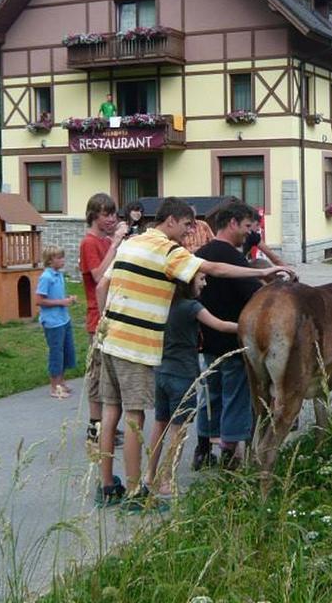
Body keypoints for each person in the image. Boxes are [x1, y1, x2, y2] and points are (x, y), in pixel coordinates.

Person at [94, 197, 293, 508]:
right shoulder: (167, 250)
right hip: (135, 346)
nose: (189, 233)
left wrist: (108, 320)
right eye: (187, 225)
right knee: (134, 417)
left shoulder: (131, 242)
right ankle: (135, 494)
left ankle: (107, 486)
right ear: (170, 221)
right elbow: (214, 269)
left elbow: (100, 287)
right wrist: (263, 273)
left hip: (109, 340)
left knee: (110, 412)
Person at [145, 272, 237, 497]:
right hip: (182, 376)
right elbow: (220, 325)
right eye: (201, 279)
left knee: (160, 424)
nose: (205, 283)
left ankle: (149, 475)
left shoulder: (163, 304)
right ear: (187, 282)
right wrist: (249, 325)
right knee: (179, 430)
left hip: (161, 372)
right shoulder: (191, 307)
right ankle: (167, 480)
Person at [193, 200, 266, 470]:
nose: (249, 232)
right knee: (236, 396)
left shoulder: (201, 253)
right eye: (247, 226)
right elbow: (256, 296)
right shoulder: (233, 258)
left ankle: (202, 450)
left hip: (207, 339)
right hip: (233, 342)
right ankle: (229, 454)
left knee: (209, 396)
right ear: (233, 223)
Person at [79, 193, 128, 443]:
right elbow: (98, 276)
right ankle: (95, 426)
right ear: (93, 216)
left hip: (111, 313)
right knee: (97, 374)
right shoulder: (89, 243)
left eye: (113, 214)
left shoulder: (105, 241)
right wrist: (115, 243)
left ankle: (107, 425)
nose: (112, 219)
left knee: (109, 374)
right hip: (96, 316)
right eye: (106, 214)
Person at [36, 245, 78, 399]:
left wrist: (68, 299)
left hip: (64, 319)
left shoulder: (58, 275)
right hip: (52, 322)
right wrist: (61, 302)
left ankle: (61, 381)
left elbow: (58, 296)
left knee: (66, 351)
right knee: (56, 353)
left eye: (62, 257)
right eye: (59, 258)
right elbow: (39, 300)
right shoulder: (46, 277)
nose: (63, 260)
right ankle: (54, 386)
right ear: (50, 260)